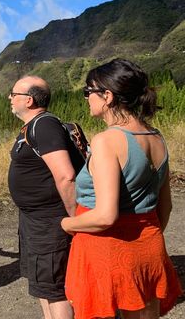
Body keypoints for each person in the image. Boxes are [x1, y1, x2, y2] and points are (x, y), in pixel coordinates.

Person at [60, 58, 182, 319]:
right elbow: (166, 206)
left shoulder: (107, 141)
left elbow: (105, 216)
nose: (85, 98)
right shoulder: (156, 137)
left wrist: (65, 225)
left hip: (108, 251)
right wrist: (144, 239)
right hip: (149, 247)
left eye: (88, 92)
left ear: (107, 96)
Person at [7, 76, 80, 319]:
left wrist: (73, 219)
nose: (9, 98)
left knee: (54, 287)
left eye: (13, 94)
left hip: (49, 222)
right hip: (34, 221)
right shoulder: (32, 126)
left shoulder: (45, 125)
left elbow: (66, 175)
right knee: (42, 283)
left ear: (28, 100)